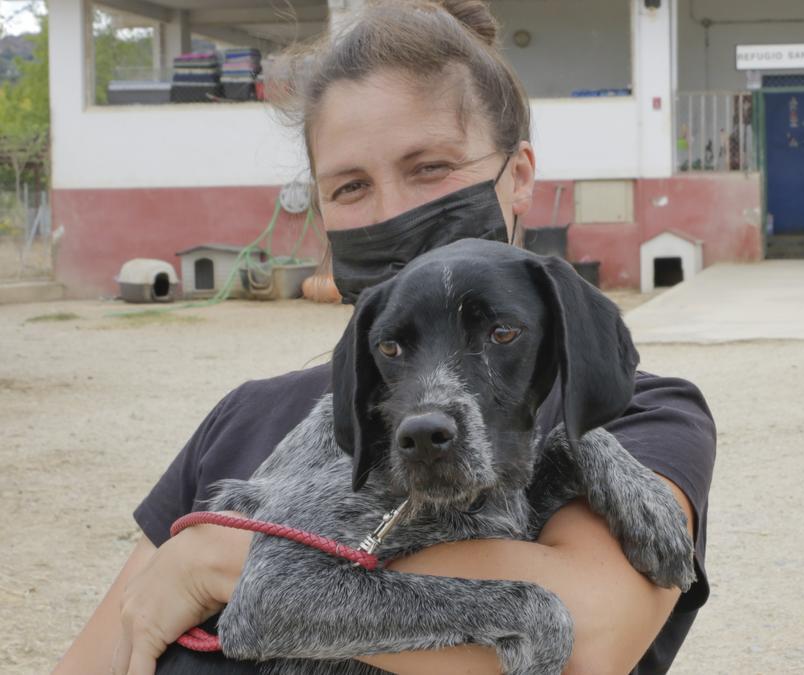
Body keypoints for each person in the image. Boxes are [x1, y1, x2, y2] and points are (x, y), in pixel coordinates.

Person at [57, 2, 715, 673]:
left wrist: (212, 561)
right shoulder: (243, 418)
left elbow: (587, 642)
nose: (393, 212)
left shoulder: (638, 414)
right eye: (350, 186)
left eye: (430, 167)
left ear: (517, 176)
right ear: (319, 209)